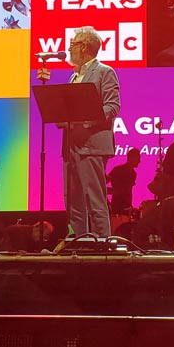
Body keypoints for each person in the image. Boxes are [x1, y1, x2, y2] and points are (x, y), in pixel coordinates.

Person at [36, 26, 121, 238]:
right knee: (73, 201)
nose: (69, 49)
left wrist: (84, 121)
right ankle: (78, 241)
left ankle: (103, 243)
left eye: (72, 44)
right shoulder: (73, 76)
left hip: (91, 145)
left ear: (83, 47)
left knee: (95, 198)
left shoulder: (104, 72)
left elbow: (112, 106)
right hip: (71, 146)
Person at [107, 148, 141, 215]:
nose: (139, 161)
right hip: (118, 207)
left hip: (125, 206)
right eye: (138, 158)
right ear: (132, 158)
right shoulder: (118, 170)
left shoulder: (133, 173)